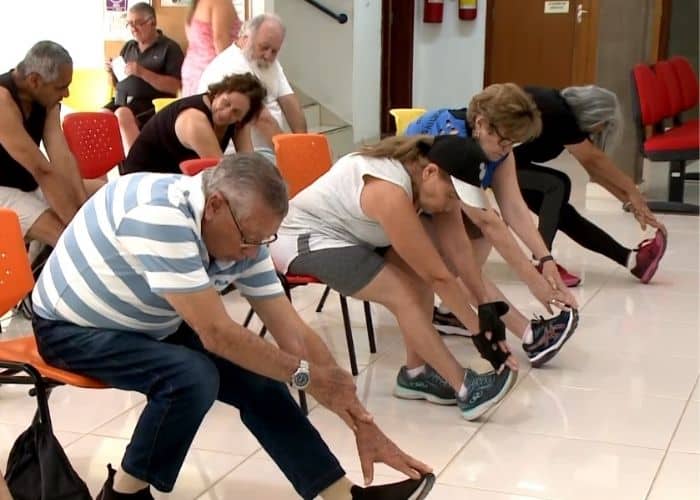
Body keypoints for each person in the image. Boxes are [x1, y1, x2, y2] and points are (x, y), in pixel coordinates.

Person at [31, 154, 436, 500]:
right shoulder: (160, 215)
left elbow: (292, 331)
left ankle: (339, 495)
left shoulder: (246, 231)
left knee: (260, 382)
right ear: (215, 205)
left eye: (265, 239)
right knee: (191, 376)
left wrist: (362, 423)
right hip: (69, 329)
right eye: (249, 239)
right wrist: (305, 375)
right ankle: (124, 494)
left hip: (151, 323)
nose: (255, 251)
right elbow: (217, 333)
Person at [271, 134, 554, 422]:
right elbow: (438, 276)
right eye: (452, 195)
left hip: (354, 238)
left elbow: (459, 254)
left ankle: (415, 374)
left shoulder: (434, 181)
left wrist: (485, 310)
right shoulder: (388, 190)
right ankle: (465, 388)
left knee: (414, 277)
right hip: (305, 238)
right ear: (430, 172)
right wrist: (479, 332)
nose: (450, 205)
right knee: (403, 294)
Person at [405, 84, 579, 367]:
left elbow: (514, 207)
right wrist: (537, 284)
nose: (507, 149)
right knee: (462, 261)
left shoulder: (497, 146)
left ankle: (452, 309)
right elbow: (486, 221)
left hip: (439, 209)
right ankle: (530, 335)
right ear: (482, 125)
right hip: (406, 209)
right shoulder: (453, 137)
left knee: (476, 244)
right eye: (504, 141)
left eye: (514, 144)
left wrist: (545, 259)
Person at [514, 85, 667, 285]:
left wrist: (631, 204)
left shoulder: (562, 118)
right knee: (557, 184)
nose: (601, 131)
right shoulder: (556, 111)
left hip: (508, 163)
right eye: (603, 125)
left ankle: (633, 262)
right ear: (595, 115)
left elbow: (594, 171)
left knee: (559, 210)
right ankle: (543, 264)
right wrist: (632, 190)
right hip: (486, 157)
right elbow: (593, 159)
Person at [0, 41, 102, 248]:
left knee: (103, 192)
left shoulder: (46, 99)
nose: (66, 94)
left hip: (25, 182)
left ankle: (39, 257)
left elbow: (61, 155)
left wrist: (82, 205)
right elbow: (42, 170)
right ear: (35, 80)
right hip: (2, 189)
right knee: (66, 236)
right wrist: (78, 226)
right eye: (61, 87)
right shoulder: (3, 101)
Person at [198, 13, 307, 151]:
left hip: (269, 149)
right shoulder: (232, 65)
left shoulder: (267, 62)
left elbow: (289, 100)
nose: (268, 55)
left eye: (274, 51)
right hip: (240, 153)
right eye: (264, 47)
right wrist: (290, 155)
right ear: (245, 39)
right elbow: (263, 119)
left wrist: (304, 142)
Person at [120, 72, 264, 175]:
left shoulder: (238, 122)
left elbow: (249, 165)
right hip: (141, 180)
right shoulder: (195, 119)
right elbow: (221, 174)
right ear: (218, 93)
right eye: (225, 103)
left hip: (173, 180)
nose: (226, 113)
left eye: (236, 112)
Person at [104, 2, 184, 153]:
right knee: (100, 118)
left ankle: (137, 165)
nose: (133, 28)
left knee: (122, 114)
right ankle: (102, 173)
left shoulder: (169, 48)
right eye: (129, 24)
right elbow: (118, 84)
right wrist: (111, 72)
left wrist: (142, 72)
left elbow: (176, 86)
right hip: (120, 100)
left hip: (149, 104)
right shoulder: (129, 46)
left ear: (152, 22)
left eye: (138, 23)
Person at [181, 0, 242, 97]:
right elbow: (220, 40)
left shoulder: (196, 5)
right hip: (212, 73)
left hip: (193, 71)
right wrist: (234, 73)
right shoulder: (220, 1)